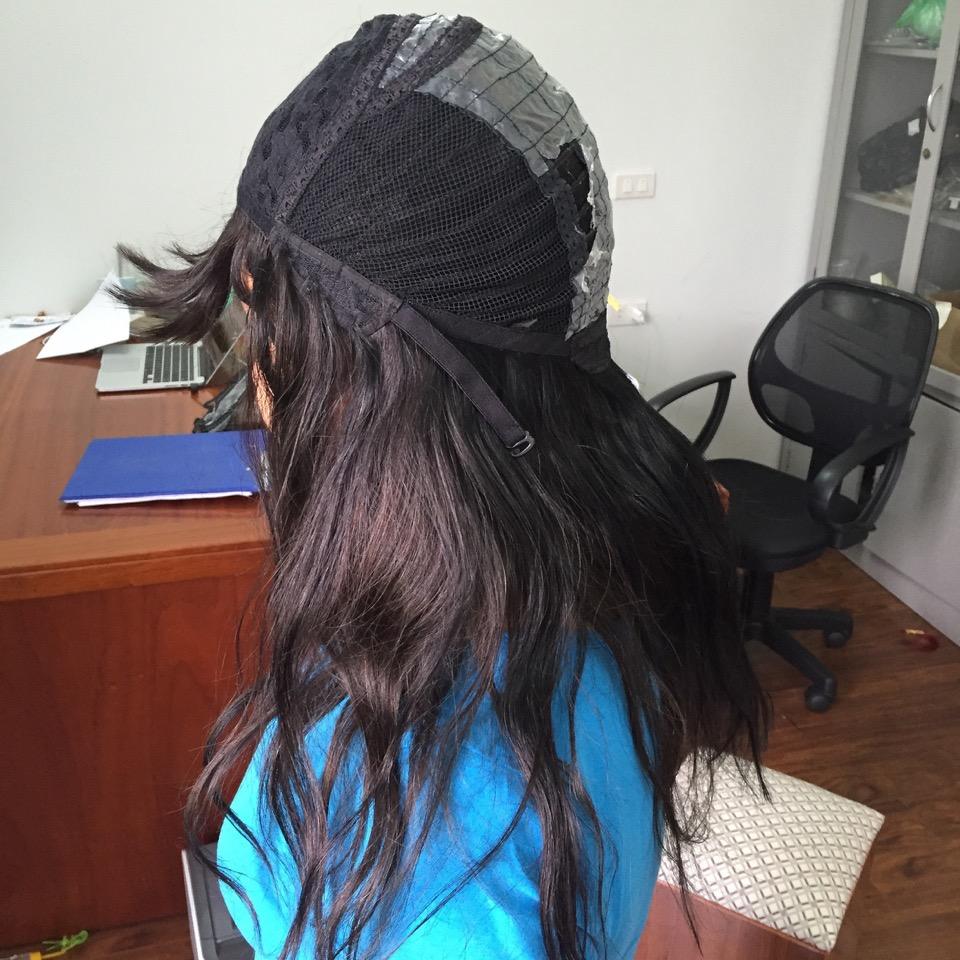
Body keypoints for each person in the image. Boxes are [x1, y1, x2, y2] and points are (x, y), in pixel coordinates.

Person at [115, 13, 767, 960]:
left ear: (364, 395)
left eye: (264, 336)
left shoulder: (454, 899)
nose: (254, 387)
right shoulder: (562, 587)